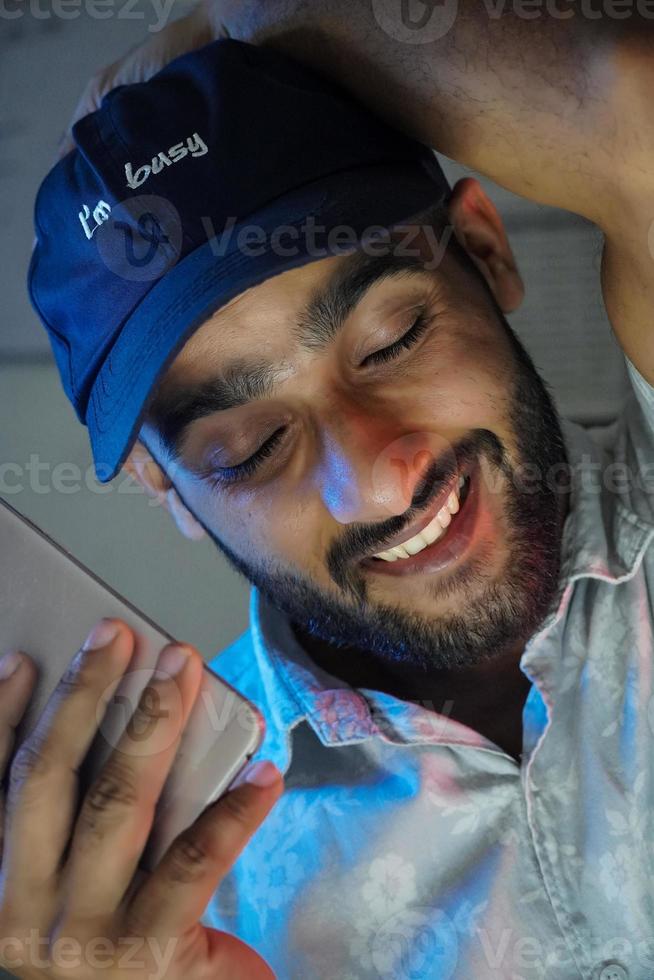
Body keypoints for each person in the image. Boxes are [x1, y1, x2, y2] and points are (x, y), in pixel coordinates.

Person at [3, 3, 654, 978]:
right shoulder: (168, 884)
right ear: (163, 485)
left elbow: (633, 114)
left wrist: (258, 12)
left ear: (484, 250)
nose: (381, 474)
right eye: (254, 446)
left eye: (393, 339)